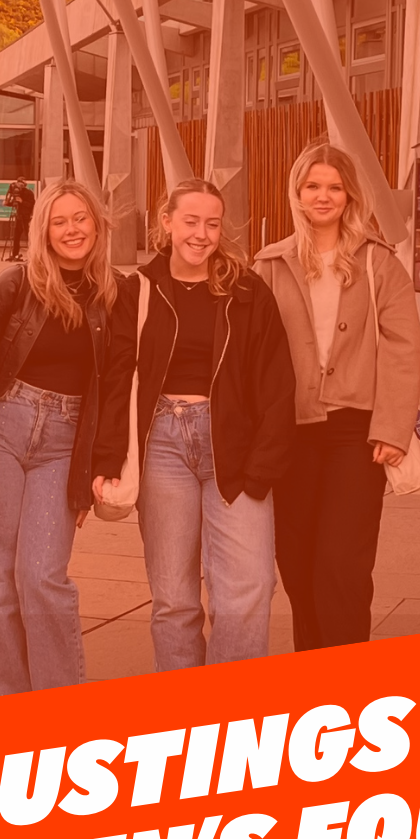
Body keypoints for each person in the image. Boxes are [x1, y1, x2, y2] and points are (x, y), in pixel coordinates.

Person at [92, 178, 295, 670]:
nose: (202, 234)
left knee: (245, 594)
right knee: (174, 600)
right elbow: (117, 378)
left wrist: (264, 466)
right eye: (190, 221)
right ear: (166, 223)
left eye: (212, 223)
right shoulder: (137, 290)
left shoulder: (247, 291)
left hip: (235, 447)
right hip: (163, 446)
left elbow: (276, 381)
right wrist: (106, 458)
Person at [253, 142, 420, 650]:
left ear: (349, 194)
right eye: (312, 186)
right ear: (297, 193)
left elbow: (403, 346)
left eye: (333, 186)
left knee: (341, 565)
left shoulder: (378, 262)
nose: (323, 196)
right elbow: (250, 352)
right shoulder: (269, 263)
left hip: (356, 432)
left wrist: (393, 428)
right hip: (291, 431)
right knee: (298, 562)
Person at [0, 180, 118, 695]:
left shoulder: (116, 293)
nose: (72, 230)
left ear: (97, 224)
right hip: (2, 430)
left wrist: (94, 468)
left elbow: (118, 390)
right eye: (60, 221)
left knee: (42, 579)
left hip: (64, 441)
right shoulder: (19, 284)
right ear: (43, 231)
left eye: (80, 218)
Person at [9, 178, 36, 263]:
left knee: (29, 236)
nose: (19, 186)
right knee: (16, 236)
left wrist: (22, 201)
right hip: (18, 216)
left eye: (21, 184)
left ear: (24, 185)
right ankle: (15, 254)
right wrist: (8, 203)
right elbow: (13, 202)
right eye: (18, 184)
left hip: (26, 217)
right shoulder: (16, 192)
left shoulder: (29, 193)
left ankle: (32, 255)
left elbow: (32, 204)